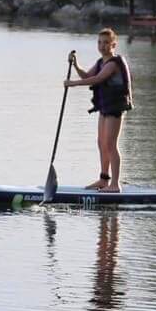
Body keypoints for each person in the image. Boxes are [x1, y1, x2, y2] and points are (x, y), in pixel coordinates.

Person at [64, 27, 132, 192]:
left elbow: (97, 79)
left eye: (106, 43)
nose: (102, 46)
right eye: (100, 42)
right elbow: (87, 76)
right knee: (101, 143)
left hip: (115, 107)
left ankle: (115, 185)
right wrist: (75, 64)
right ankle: (104, 180)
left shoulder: (114, 63)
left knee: (110, 144)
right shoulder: (101, 62)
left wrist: (71, 84)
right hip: (105, 107)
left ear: (113, 44)